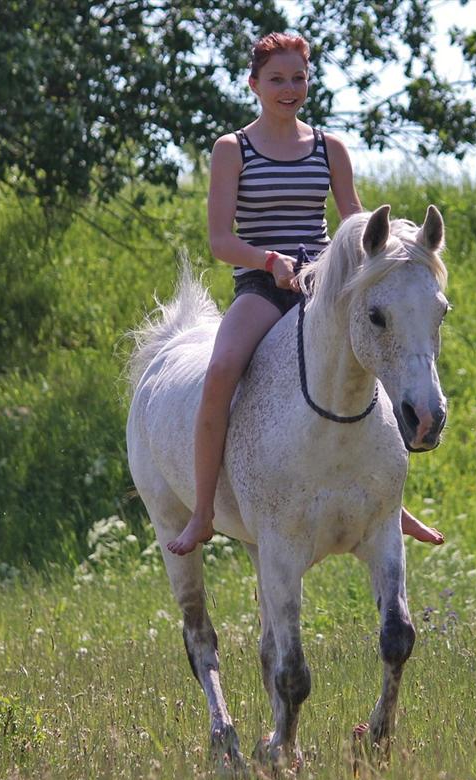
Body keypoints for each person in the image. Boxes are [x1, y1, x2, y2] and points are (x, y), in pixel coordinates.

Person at [167, 32, 444, 555]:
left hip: (324, 286)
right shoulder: (233, 149)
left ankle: (390, 504)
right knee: (222, 368)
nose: (288, 88)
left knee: (377, 356)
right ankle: (203, 511)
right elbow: (220, 240)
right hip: (262, 286)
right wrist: (269, 262)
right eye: (277, 79)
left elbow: (359, 228)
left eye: (298, 78)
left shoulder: (328, 148)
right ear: (254, 84)